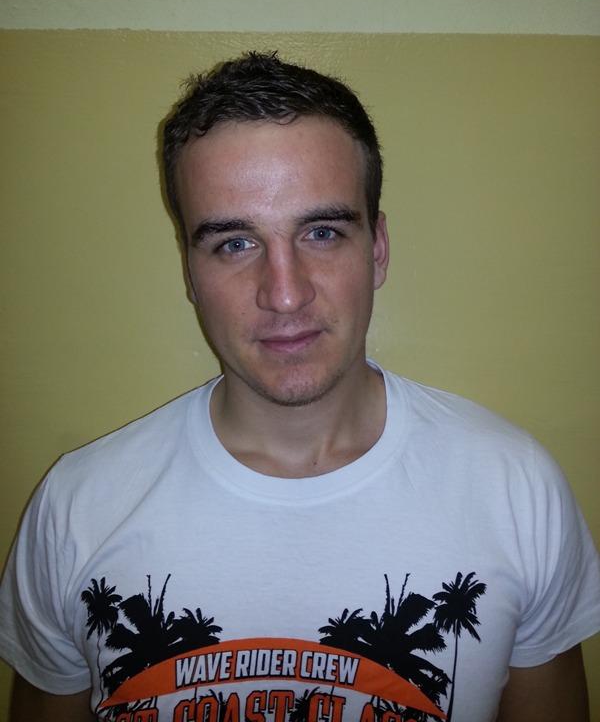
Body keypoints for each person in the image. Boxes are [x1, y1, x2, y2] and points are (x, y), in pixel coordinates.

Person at [1, 52, 599, 722]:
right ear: (190, 273)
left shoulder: (515, 490)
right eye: (235, 243)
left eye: (321, 232)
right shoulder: (76, 509)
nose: (284, 294)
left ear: (377, 248)